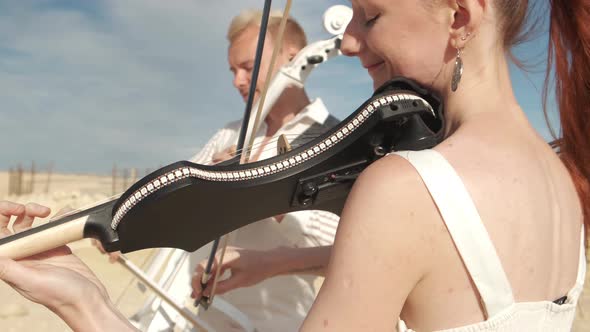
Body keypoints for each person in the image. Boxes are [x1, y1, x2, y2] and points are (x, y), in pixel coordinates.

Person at [1, 0, 589, 331]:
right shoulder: (564, 178)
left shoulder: (406, 188)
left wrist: (85, 303)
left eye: (370, 16)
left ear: (460, 17)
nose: (350, 41)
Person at [95, 9, 340, 332]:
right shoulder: (229, 134)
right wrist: (124, 222)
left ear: (292, 58)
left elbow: (340, 245)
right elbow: (174, 193)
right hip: (193, 318)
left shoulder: (330, 138)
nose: (237, 81)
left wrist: (268, 194)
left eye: (248, 68)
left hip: (272, 323)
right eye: (232, 70)